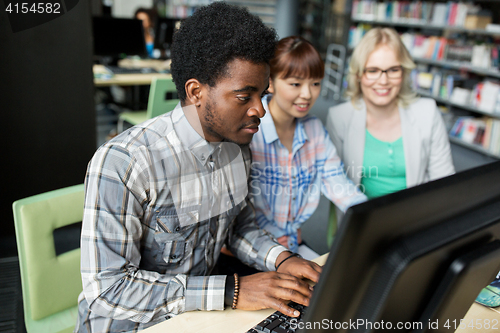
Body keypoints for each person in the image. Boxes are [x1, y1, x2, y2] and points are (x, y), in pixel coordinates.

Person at [75, 3, 321, 333]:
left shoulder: (238, 146)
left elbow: (238, 228)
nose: (260, 110)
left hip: (201, 316)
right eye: (244, 96)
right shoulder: (125, 163)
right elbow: (108, 289)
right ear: (196, 92)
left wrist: (283, 259)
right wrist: (233, 291)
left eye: (262, 94)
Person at [249, 36, 367, 255]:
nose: (307, 94)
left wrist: (371, 216)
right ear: (271, 82)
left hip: (291, 246)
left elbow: (337, 182)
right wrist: (273, 234)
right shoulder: (249, 130)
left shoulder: (314, 129)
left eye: (315, 83)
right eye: (295, 84)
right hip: (253, 247)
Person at [326, 27, 455, 200]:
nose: (383, 81)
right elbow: (337, 184)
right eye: (372, 71)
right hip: (364, 218)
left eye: (393, 70)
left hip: (419, 217)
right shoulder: (339, 118)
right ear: (358, 75)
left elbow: (444, 183)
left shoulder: (428, 113)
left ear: (404, 72)